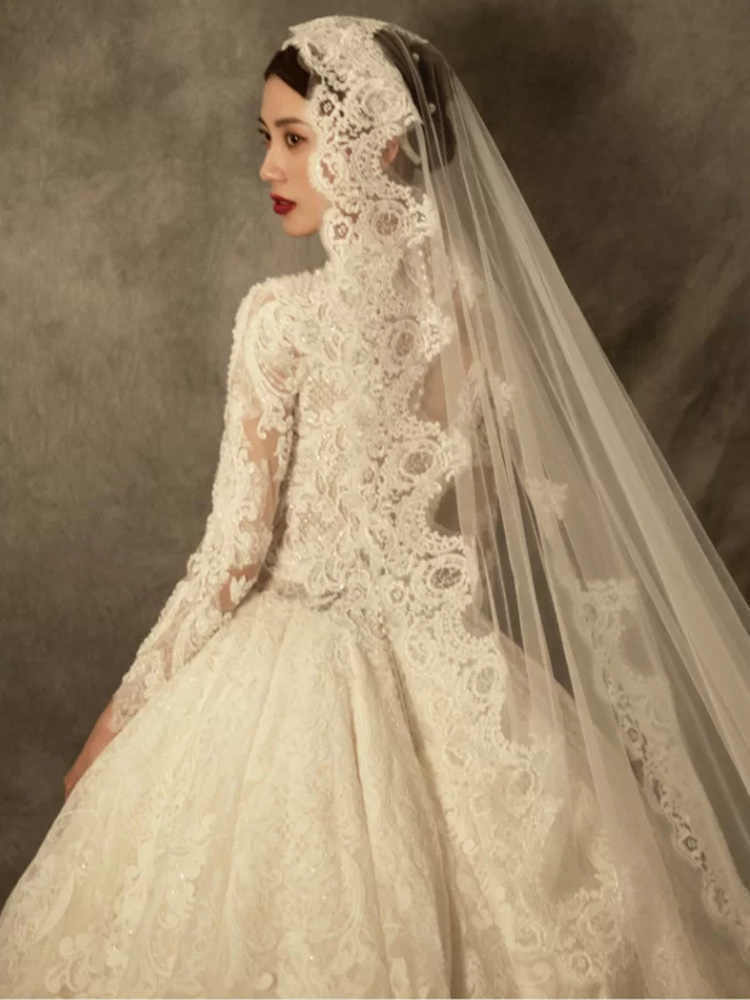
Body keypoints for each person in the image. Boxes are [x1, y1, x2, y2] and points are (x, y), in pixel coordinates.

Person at [1, 13, 749, 998]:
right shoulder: (475, 312)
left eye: (294, 137)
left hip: (292, 666)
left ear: (379, 143)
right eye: (267, 138)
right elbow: (519, 519)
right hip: (455, 669)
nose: (269, 166)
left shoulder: (282, 321)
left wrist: (116, 722)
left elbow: (230, 557)